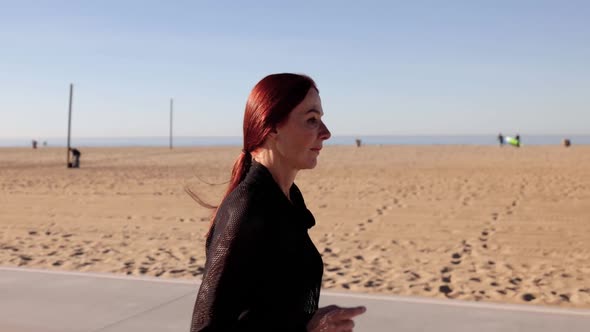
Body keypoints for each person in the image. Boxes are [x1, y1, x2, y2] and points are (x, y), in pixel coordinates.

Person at [189, 73, 366, 331]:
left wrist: (308, 324)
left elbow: (266, 308)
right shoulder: (246, 209)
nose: (326, 133)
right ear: (271, 128)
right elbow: (207, 328)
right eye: (312, 120)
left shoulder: (287, 199)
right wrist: (305, 326)